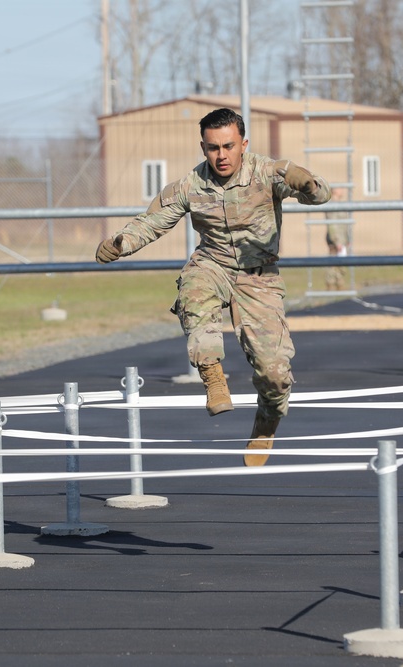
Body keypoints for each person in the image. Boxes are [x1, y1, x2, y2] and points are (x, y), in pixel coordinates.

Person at [94, 108, 331, 466]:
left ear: (243, 144)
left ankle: (267, 422)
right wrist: (121, 243)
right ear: (203, 147)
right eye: (212, 148)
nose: (221, 155)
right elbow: (154, 221)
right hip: (213, 264)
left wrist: (307, 182)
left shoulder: (267, 172)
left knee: (275, 374)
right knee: (193, 291)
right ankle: (213, 377)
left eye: (228, 146)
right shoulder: (192, 184)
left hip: (259, 276)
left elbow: (320, 195)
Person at [324, 187, 352, 291]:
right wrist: (336, 241)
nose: (343, 191)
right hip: (335, 239)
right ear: (335, 190)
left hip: (342, 239)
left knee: (340, 262)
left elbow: (343, 225)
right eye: (340, 188)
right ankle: (331, 283)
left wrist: (347, 239)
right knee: (333, 262)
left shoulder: (340, 204)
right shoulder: (332, 205)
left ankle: (339, 283)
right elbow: (332, 225)